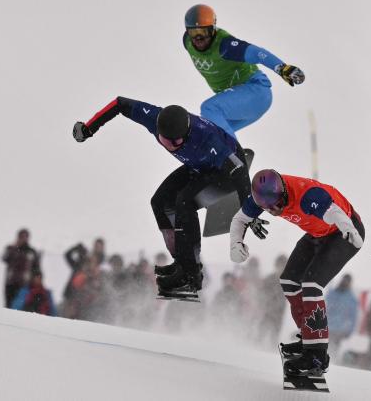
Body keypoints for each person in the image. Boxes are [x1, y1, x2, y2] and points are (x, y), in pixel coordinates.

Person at [73, 97, 251, 295]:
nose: (171, 145)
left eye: (176, 142)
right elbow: (120, 104)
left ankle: (191, 276)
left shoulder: (205, 137)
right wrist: (89, 128)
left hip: (227, 172)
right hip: (201, 166)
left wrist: (248, 210)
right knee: (159, 202)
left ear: (188, 134)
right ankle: (182, 263)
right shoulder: (154, 118)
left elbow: (239, 169)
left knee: (185, 200)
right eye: (165, 140)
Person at [229, 169, 365, 376]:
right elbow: (239, 219)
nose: (275, 210)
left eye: (279, 203)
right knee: (289, 280)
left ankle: (317, 356)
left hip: (343, 232)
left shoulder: (307, 196)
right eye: (269, 208)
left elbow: (334, 212)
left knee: (312, 284)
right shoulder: (259, 199)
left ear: (284, 190)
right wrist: (235, 243)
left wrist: (349, 229)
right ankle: (309, 339)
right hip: (317, 233)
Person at [183, 4, 304, 138]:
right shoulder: (187, 42)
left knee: (209, 109)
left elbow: (256, 53)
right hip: (239, 102)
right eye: (193, 33)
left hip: (256, 91)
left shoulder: (225, 45)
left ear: (213, 30)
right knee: (206, 132)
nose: (198, 38)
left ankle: (235, 155)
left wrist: (282, 68)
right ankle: (224, 157)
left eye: (203, 32)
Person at [1, 228, 40, 308]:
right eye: (21, 236)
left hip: (24, 284)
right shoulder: (11, 248)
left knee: (21, 306)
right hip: (10, 282)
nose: (23, 238)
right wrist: (14, 247)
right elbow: (4, 258)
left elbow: (36, 267)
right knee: (8, 305)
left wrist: (36, 279)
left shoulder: (31, 251)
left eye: (25, 236)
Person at [325, 274, 359, 357]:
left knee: (334, 349)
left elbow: (353, 316)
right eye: (344, 280)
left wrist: (350, 330)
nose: (345, 282)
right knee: (323, 346)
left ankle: (331, 362)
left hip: (339, 329)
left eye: (347, 281)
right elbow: (324, 307)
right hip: (327, 326)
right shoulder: (332, 293)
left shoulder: (351, 298)